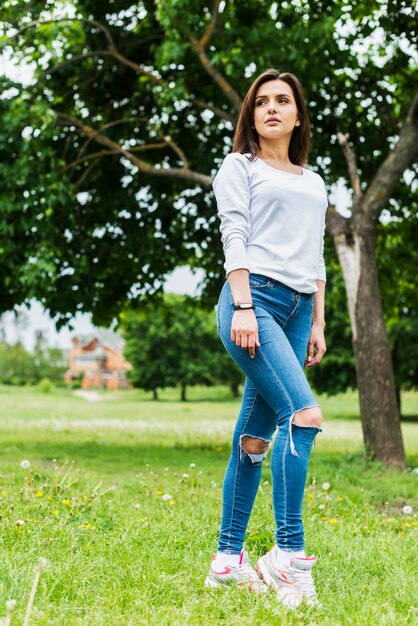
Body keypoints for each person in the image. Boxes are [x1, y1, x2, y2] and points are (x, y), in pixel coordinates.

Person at [204, 68, 328, 609]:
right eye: (261, 102)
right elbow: (234, 235)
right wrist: (245, 306)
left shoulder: (314, 180)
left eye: (282, 101)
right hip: (251, 298)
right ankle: (286, 555)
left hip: (299, 307)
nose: (271, 109)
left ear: (298, 115)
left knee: (254, 441)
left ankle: (227, 561)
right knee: (303, 415)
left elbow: (316, 255)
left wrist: (318, 321)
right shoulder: (239, 167)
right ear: (251, 116)